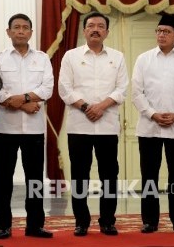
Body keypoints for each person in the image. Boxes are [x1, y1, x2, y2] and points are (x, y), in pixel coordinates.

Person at [58, 12, 129, 236]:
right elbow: (64, 89)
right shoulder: (70, 56)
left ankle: (108, 220)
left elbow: (122, 89)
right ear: (84, 30)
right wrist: (86, 107)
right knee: (80, 175)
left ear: (107, 32)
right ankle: (81, 221)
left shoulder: (117, 57)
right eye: (91, 26)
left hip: (107, 126)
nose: (95, 29)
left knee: (109, 174)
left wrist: (102, 106)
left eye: (100, 26)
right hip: (80, 125)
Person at [132, 14, 174, 234]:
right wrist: (152, 114)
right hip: (149, 127)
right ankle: (150, 221)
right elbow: (136, 92)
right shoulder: (143, 59)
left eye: (166, 32)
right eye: (159, 31)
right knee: (149, 176)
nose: (161, 35)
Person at [0, 13, 54, 239]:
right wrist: (23, 103)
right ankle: (3, 225)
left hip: (34, 129)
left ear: (31, 32)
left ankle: (35, 225)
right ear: (8, 32)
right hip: (5, 127)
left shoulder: (43, 58)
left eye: (25, 27)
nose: (20, 31)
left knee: (34, 179)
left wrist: (22, 99)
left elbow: (47, 89)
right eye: (16, 27)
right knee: (4, 179)